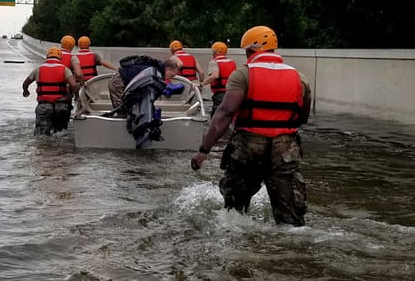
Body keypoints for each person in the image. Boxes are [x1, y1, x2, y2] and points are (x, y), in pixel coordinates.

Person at [191, 26, 312, 227]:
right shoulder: (299, 78)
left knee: (235, 212)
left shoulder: (243, 75)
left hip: (248, 146)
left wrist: (204, 150)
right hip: (285, 149)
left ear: (250, 50)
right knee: (291, 219)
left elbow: (225, 113)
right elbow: (302, 117)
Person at [22, 47, 80, 135]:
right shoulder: (65, 69)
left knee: (41, 135)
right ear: (60, 57)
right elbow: (74, 85)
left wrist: (25, 91)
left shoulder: (38, 69)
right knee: (61, 134)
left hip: (44, 105)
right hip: (61, 106)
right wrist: (77, 96)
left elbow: (25, 83)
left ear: (47, 56)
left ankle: (44, 148)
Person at [108, 56, 178, 116]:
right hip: (118, 81)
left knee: (128, 111)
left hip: (121, 81)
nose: (170, 78)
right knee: (122, 111)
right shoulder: (155, 72)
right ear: (168, 69)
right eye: (172, 75)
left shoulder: (155, 69)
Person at [202, 41, 237, 118]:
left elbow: (215, 76)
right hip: (232, 92)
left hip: (220, 94)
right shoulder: (232, 62)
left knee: (216, 116)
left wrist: (202, 84)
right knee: (229, 115)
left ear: (214, 52)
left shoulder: (214, 62)